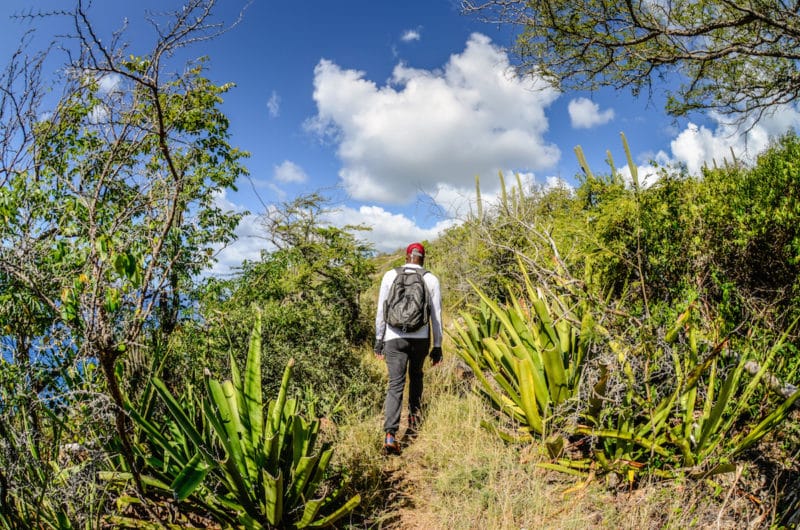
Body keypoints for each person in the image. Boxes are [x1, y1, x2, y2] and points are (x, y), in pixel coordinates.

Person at [374, 242, 443, 454]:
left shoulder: (389, 276)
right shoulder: (430, 279)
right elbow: (436, 316)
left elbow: (381, 311)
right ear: (423, 258)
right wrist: (437, 346)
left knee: (395, 384)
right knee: (416, 377)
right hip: (420, 338)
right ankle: (413, 423)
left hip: (393, 337)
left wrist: (379, 340)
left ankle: (390, 434)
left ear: (407, 256)